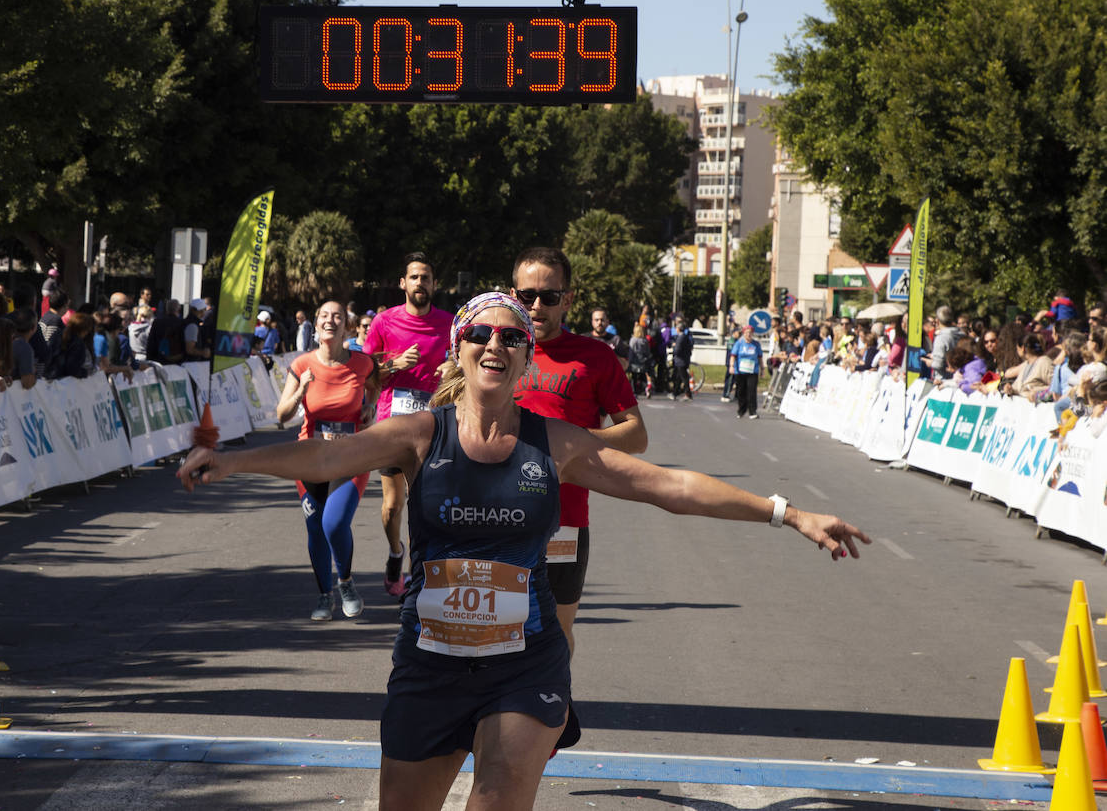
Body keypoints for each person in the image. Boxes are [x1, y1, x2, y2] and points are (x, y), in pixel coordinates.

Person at [176, 291, 868, 811]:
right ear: (459, 349)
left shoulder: (554, 443)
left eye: (512, 335)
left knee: (501, 798)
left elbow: (671, 487)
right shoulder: (420, 434)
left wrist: (789, 512)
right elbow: (326, 456)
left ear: (526, 355)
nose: (495, 343)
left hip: (524, 661)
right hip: (430, 661)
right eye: (479, 333)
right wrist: (233, 464)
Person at [508, 247, 644, 654]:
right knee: (492, 635)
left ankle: (555, 712)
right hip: (490, 517)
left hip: (562, 523)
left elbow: (636, 435)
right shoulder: (492, 350)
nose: (536, 306)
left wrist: (574, 441)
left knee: (555, 635)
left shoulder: (595, 357)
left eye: (549, 297)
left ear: (567, 300)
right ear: (511, 294)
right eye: (526, 295)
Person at [273, 301, 379, 621]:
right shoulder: (302, 364)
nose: (330, 320)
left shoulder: (363, 363)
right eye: (323, 316)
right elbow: (282, 415)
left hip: (351, 456)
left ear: (346, 327)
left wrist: (370, 407)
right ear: (316, 326)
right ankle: (324, 596)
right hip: (309, 458)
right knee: (315, 529)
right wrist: (301, 390)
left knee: (334, 523)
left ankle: (345, 583)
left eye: (337, 316)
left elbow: (375, 385)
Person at [363, 253, 454, 600]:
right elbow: (366, 372)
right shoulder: (385, 322)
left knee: (425, 505)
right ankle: (395, 552)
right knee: (392, 506)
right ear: (403, 283)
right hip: (393, 426)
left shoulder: (448, 323)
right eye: (414, 277)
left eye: (426, 278)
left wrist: (452, 369)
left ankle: (420, 576)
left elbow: (465, 364)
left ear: (434, 284)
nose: (420, 283)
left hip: (433, 427)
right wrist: (393, 364)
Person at [729, 324, 764, 419]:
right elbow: (733, 355)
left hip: (752, 371)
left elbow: (760, 357)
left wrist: (762, 369)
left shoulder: (756, 344)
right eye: (746, 333)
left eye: (750, 333)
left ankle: (752, 411)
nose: (748, 335)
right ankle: (741, 410)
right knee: (741, 391)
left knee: (752, 391)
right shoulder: (739, 343)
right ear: (744, 333)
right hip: (740, 371)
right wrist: (731, 366)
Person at [670, 317, 694, 400]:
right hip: (683, 360)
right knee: (678, 377)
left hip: (681, 360)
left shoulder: (681, 337)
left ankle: (688, 394)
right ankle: (675, 393)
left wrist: (674, 351)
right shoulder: (684, 337)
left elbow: (678, 349)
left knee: (684, 377)